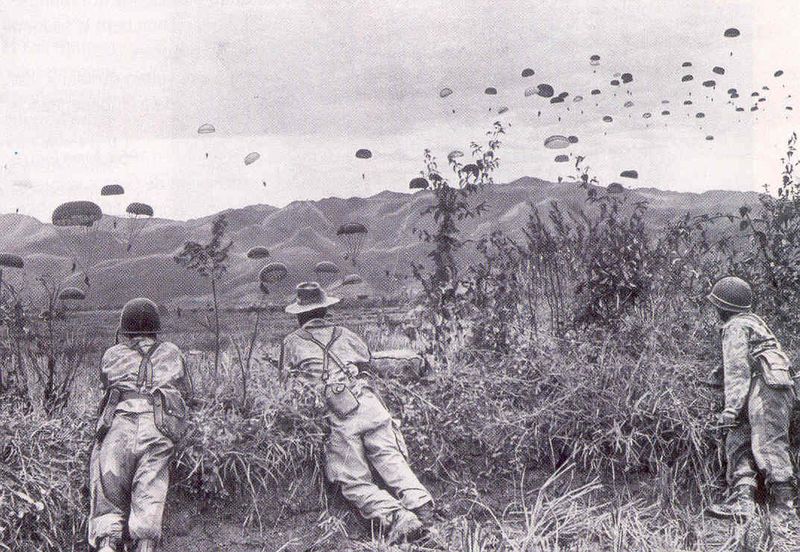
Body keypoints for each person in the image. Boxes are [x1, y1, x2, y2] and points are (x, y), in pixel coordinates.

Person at [279, 282, 435, 544]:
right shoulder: (347, 334)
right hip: (370, 404)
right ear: (325, 310)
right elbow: (368, 364)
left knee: (351, 479)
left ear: (299, 315)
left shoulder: (292, 342)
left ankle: (397, 516)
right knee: (391, 460)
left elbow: (287, 387)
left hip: (341, 415)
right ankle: (424, 510)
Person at [88, 298, 193, 552]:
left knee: (108, 490)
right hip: (158, 429)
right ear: (155, 328)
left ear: (125, 329)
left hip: (118, 427)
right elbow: (188, 392)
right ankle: (144, 544)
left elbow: (105, 383)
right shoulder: (172, 351)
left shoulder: (112, 354)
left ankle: (107, 542)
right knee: (150, 490)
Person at [704, 277, 799, 540]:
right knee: (740, 436)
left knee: (769, 444)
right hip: (770, 386)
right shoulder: (755, 323)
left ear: (724, 307)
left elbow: (737, 370)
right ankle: (743, 499)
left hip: (765, 388)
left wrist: (731, 409)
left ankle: (785, 510)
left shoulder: (735, 326)